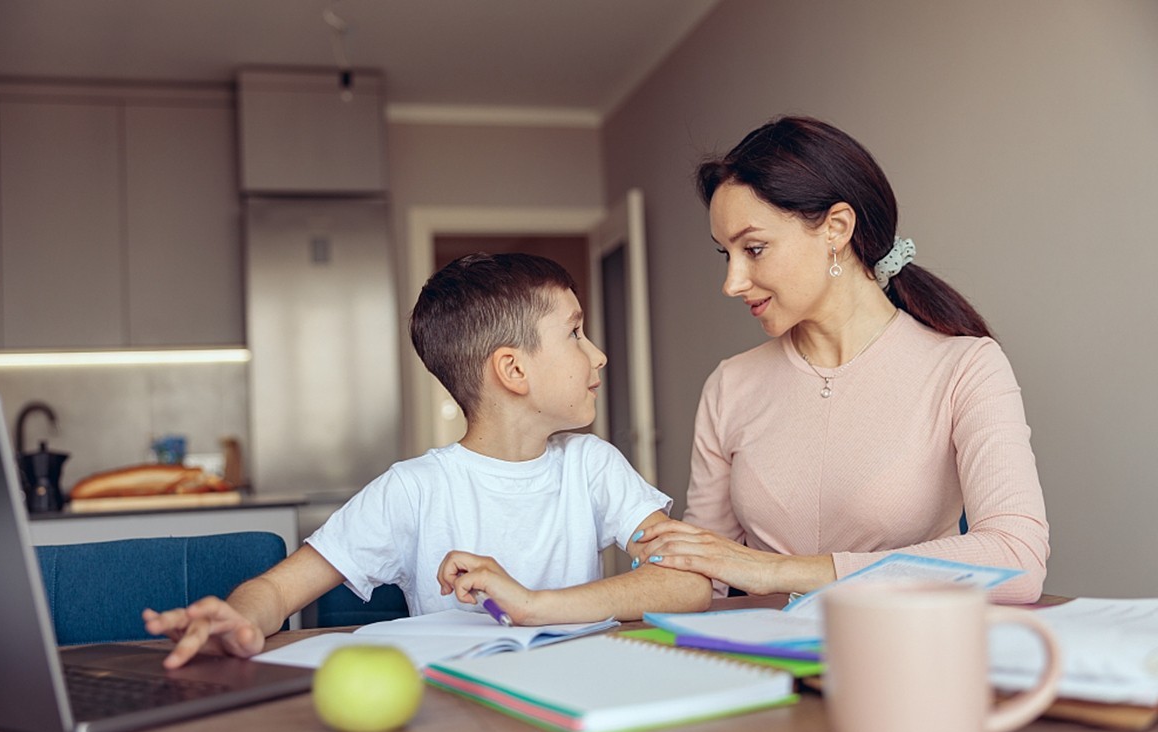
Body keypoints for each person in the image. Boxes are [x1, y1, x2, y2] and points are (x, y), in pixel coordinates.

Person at [145, 252, 711, 668]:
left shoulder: (592, 466)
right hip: (452, 715)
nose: (599, 354)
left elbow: (689, 584)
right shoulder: (413, 490)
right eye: (576, 333)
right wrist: (241, 617)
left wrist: (536, 605)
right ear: (514, 370)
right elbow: (276, 591)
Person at [634, 116, 1048, 603]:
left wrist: (778, 572)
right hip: (763, 667)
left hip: (900, 658)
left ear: (836, 228)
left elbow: (1016, 558)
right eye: (726, 254)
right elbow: (705, 573)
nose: (732, 282)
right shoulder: (730, 385)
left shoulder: (966, 367)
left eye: (754, 248)